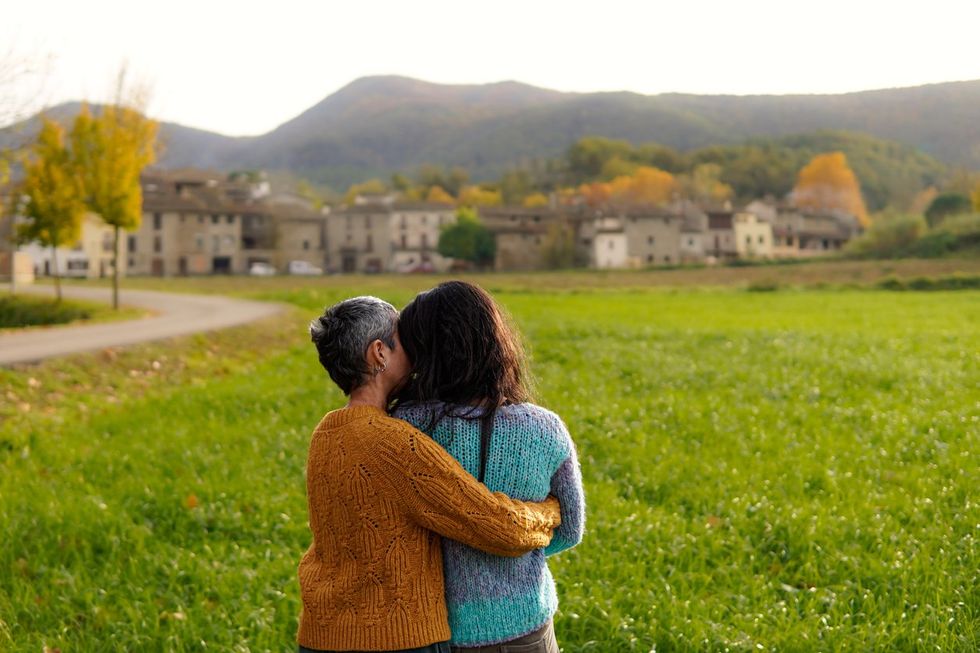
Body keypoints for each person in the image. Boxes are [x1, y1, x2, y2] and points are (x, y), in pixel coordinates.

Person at [299, 296, 561, 653]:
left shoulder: (325, 434)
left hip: (321, 635)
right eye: (403, 338)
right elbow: (498, 527)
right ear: (380, 353)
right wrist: (550, 512)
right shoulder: (393, 443)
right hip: (395, 640)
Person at [393, 281, 585, 653]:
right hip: (527, 623)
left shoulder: (404, 425)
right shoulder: (544, 428)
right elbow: (570, 530)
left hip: (434, 630)